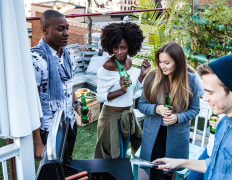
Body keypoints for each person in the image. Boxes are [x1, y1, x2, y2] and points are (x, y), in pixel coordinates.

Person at [153, 55, 232, 179]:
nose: (205, 97)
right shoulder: (224, 122)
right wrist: (179, 162)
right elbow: (215, 165)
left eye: (210, 92)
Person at [31, 10, 89, 164]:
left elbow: (68, 85)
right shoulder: (36, 59)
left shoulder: (69, 55)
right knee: (52, 171)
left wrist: (77, 105)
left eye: (67, 28)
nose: (66, 33)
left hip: (69, 122)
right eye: (60, 29)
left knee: (67, 164)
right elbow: (31, 103)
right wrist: (37, 141)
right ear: (44, 30)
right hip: (49, 128)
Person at [138, 42, 200, 180]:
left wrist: (178, 118)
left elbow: (195, 109)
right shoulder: (151, 77)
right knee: (155, 171)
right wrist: (156, 109)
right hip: (154, 135)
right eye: (160, 62)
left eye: (167, 62)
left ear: (177, 62)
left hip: (177, 137)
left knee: (169, 173)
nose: (162, 66)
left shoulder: (190, 80)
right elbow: (141, 105)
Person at [94, 22, 151, 159]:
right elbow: (100, 97)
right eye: (115, 48)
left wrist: (142, 75)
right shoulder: (107, 67)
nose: (119, 52)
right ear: (110, 47)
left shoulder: (129, 62)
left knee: (124, 153)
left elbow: (133, 90)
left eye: (123, 48)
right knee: (112, 158)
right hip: (111, 119)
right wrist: (121, 91)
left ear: (130, 46)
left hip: (127, 115)